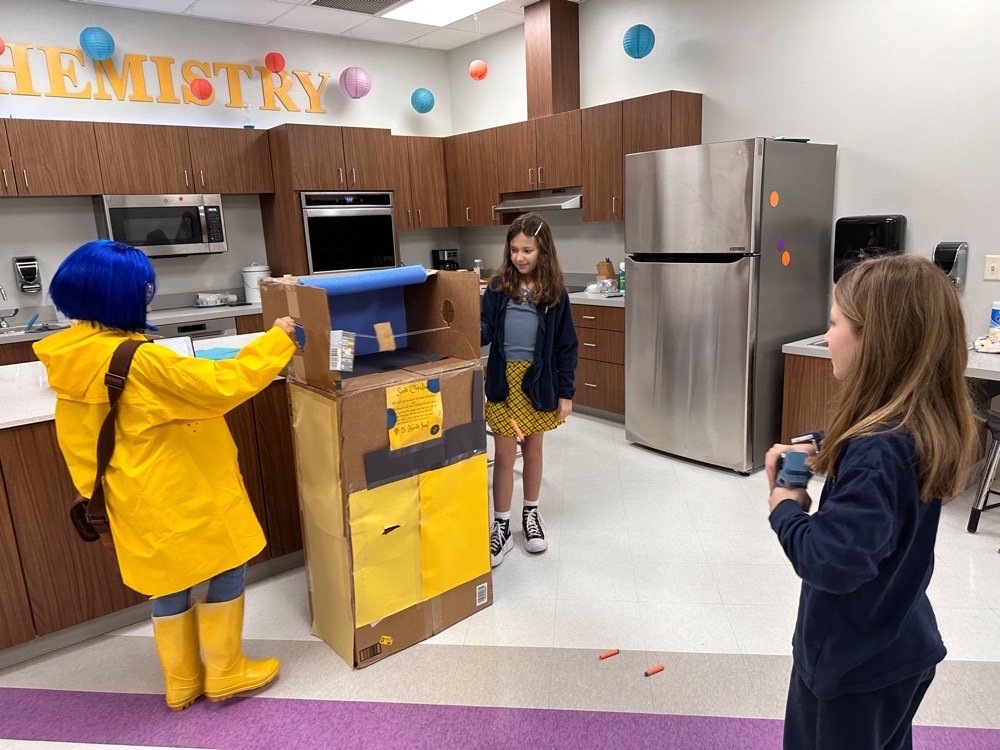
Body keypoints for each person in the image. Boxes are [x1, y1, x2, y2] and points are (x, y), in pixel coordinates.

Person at [33, 240, 297, 712]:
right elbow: (223, 387)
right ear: (125, 296)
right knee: (227, 563)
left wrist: (99, 499)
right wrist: (277, 338)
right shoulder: (142, 359)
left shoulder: (68, 357)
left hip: (130, 496)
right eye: (145, 287)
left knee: (168, 582)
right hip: (183, 490)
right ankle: (225, 670)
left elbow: (76, 443)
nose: (150, 294)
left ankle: (181, 682)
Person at [764, 255, 977, 749]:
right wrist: (819, 444)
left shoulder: (877, 452)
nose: (826, 336)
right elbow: (869, 450)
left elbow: (831, 562)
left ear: (875, 341)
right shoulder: (917, 425)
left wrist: (785, 506)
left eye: (836, 323)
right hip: (901, 643)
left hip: (849, 664)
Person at [480, 213, 578, 567]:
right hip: (504, 383)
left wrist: (565, 394)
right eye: (515, 249)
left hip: (539, 383)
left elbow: (567, 347)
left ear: (543, 252)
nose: (520, 257)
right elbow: (485, 332)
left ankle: (531, 517)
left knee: (533, 451)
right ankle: (502, 527)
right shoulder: (496, 288)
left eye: (528, 250)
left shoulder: (555, 294)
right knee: (505, 457)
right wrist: (460, 327)